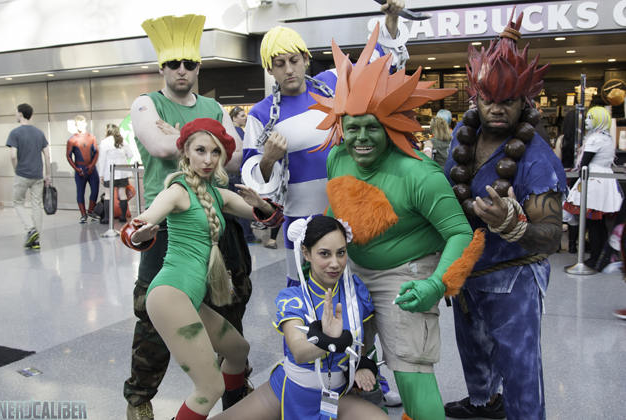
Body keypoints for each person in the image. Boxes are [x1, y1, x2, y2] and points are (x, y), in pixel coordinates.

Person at [311, 28, 484, 420]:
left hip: (406, 274)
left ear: (390, 126)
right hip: (351, 271)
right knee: (344, 360)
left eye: (372, 126)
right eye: (352, 126)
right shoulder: (337, 158)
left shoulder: (420, 175)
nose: (361, 137)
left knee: (410, 371)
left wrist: (434, 284)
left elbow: (459, 233)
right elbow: (337, 210)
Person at [443, 11, 567, 420]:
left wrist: (512, 224)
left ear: (524, 101)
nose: (497, 108)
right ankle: (485, 405)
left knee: (519, 367)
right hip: (468, 272)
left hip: (515, 278)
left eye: (507, 100)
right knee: (474, 354)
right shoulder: (464, 135)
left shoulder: (537, 158)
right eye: (488, 100)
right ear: (476, 98)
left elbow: (552, 236)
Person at [120, 118, 283, 420]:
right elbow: (140, 222)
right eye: (200, 151)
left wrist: (262, 204)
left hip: (190, 298)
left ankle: (235, 410)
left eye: (215, 152)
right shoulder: (177, 191)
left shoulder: (217, 195)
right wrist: (140, 233)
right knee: (209, 388)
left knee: (238, 351)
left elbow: (269, 218)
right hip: (170, 295)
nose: (208, 160)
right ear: (186, 153)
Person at [124, 14, 245, 420]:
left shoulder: (213, 105)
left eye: (189, 63)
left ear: (198, 68)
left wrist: (179, 133)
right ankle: (139, 398)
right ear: (162, 67)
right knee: (153, 320)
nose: (181, 70)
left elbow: (236, 156)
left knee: (229, 310)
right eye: (173, 63)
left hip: (214, 221)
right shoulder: (146, 103)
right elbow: (160, 147)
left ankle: (235, 397)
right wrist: (202, 137)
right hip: (165, 225)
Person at [242, 0, 407, 289]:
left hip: (350, 210)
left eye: (294, 60)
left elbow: (379, 65)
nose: (289, 69)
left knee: (356, 291)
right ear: (270, 69)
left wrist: (391, 19)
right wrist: (267, 159)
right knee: (304, 294)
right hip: (301, 219)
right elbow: (252, 180)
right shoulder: (261, 113)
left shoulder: (332, 80)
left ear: (306, 59)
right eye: (279, 64)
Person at [209, 215, 389, 420]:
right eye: (324, 254)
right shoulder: (293, 299)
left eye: (341, 253)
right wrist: (329, 339)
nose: (335, 263)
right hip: (290, 390)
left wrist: (360, 364)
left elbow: (360, 340)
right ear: (306, 253)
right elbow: (299, 352)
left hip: (338, 395)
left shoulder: (356, 291)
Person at [564, 107, 623, 269]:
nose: (586, 120)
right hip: (604, 180)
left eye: (590, 117)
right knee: (599, 222)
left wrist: (574, 183)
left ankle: (595, 258)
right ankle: (601, 257)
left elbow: (584, 164)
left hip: (593, 181)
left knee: (593, 222)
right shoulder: (607, 137)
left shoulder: (595, 139)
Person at [6, 103, 51, 249]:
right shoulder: (39, 133)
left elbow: (13, 156)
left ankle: (31, 230)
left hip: (22, 174)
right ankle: (36, 241)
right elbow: (47, 155)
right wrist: (47, 174)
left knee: (18, 202)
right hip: (37, 175)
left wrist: (16, 170)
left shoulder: (15, 133)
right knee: (36, 205)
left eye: (16, 112)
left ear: (20, 114)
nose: (15, 114)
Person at [229, 106, 261, 245]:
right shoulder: (238, 132)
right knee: (242, 203)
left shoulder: (232, 132)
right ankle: (247, 236)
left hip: (232, 174)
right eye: (242, 116)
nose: (244, 118)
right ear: (234, 118)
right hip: (238, 173)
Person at [66, 115, 100, 223]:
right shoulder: (72, 140)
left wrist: (92, 165)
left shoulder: (92, 137)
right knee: (80, 192)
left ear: (85, 124)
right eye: (78, 124)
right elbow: (68, 156)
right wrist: (76, 169)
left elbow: (96, 152)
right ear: (76, 125)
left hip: (91, 169)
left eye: (82, 124)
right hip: (80, 170)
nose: (80, 126)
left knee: (95, 190)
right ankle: (83, 214)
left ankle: (90, 211)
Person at [98, 123, 133, 224]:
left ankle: (106, 218)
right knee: (122, 194)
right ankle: (123, 216)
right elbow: (130, 155)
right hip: (122, 172)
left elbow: (102, 160)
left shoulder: (104, 142)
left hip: (109, 173)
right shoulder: (123, 141)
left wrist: (101, 174)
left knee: (108, 195)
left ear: (108, 131)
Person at [554, 110, 579, 252]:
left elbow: (557, 161)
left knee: (560, 210)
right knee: (574, 211)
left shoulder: (561, 139)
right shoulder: (584, 139)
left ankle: (557, 245)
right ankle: (572, 246)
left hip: (564, 175)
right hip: (578, 177)